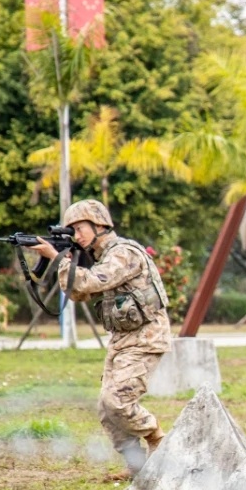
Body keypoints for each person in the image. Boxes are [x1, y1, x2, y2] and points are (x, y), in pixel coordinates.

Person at [26, 199, 171, 473]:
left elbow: (92, 281)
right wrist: (63, 261)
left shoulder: (123, 253)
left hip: (145, 337)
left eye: (79, 228)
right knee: (107, 410)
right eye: (71, 231)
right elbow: (80, 292)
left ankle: (159, 440)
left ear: (100, 225)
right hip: (122, 339)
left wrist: (56, 259)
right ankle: (137, 468)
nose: (76, 236)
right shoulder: (102, 257)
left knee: (118, 401)